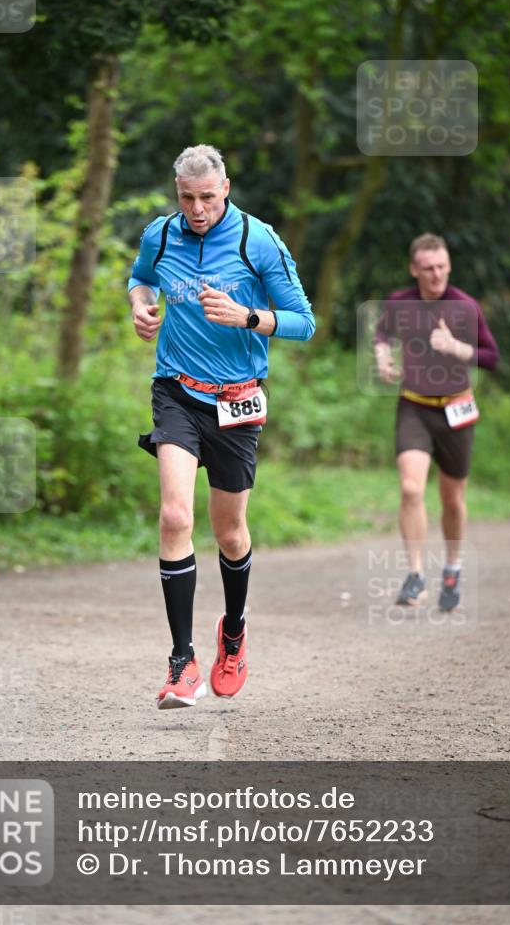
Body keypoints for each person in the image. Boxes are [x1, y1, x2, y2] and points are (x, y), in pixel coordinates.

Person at [128, 144, 315, 709]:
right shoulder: (161, 235)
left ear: (226, 189)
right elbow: (141, 278)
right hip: (176, 392)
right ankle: (182, 663)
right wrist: (141, 306)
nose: (197, 209)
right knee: (174, 516)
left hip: (236, 401)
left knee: (230, 533)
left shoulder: (258, 240)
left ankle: (232, 633)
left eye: (207, 197)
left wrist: (248, 317)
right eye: (187, 198)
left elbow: (305, 322)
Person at [374, 233, 499, 611]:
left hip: (456, 409)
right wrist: (383, 357)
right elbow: (382, 332)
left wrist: (456, 347)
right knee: (411, 488)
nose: (436, 274)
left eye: (442, 266)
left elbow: (491, 357)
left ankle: (452, 568)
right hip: (415, 406)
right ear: (414, 269)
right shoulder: (400, 303)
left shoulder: (465, 307)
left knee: (452, 498)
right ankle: (415, 575)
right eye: (428, 268)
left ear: (449, 266)